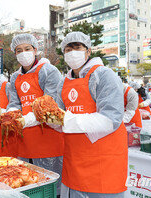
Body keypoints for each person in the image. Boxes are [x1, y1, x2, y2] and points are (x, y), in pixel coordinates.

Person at [53, 32, 128, 198]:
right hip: (74, 158)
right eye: (68, 49)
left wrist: (66, 120)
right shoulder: (63, 82)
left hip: (103, 160)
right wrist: (48, 118)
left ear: (88, 51)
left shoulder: (104, 75)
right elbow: (57, 118)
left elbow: (110, 120)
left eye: (77, 47)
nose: (72, 52)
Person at [7, 33, 64, 193]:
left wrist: (26, 120)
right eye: (19, 50)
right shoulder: (15, 77)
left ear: (35, 49)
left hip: (48, 136)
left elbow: (49, 104)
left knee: (50, 187)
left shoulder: (49, 71)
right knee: (29, 185)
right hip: (25, 139)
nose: (23, 53)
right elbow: (14, 103)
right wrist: (11, 115)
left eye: (27, 49)